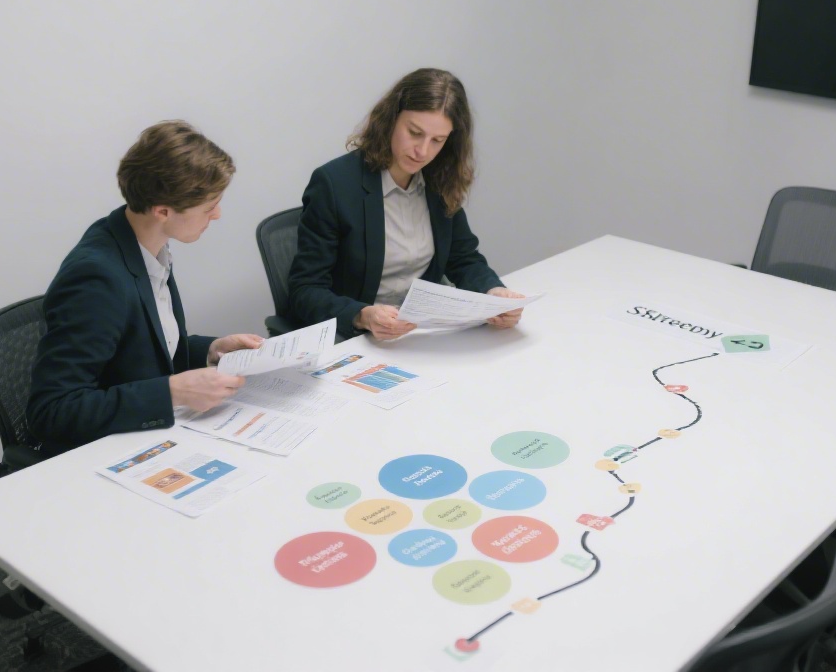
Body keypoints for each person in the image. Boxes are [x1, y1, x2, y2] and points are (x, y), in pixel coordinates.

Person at [28, 120, 262, 455]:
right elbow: (52, 411)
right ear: (163, 211)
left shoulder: (145, 245)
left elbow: (141, 351)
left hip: (147, 436)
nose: (217, 214)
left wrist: (210, 350)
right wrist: (172, 392)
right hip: (101, 455)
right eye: (209, 207)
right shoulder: (96, 277)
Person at [287, 68, 525, 341]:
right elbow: (305, 289)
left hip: (420, 331)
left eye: (437, 141)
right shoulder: (334, 183)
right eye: (414, 132)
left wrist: (494, 294)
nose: (422, 151)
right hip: (359, 337)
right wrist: (362, 315)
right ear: (391, 119)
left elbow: (463, 258)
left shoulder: (439, 179)